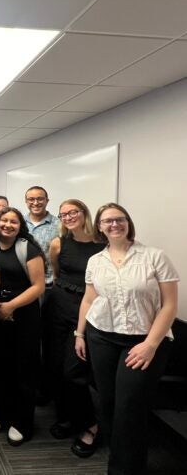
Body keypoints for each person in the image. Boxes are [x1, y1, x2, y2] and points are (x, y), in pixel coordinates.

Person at [75, 203, 179, 475]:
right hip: (102, 336)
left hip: (144, 340)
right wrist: (80, 333)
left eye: (119, 219)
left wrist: (151, 345)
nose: (114, 225)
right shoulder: (95, 261)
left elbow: (169, 305)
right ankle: (121, 454)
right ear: (99, 226)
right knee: (108, 403)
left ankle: (123, 469)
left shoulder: (154, 256)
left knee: (128, 407)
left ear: (128, 223)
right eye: (107, 221)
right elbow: (89, 299)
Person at [46, 199, 104, 457]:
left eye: (73, 212)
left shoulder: (102, 244)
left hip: (86, 311)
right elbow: (56, 273)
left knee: (74, 371)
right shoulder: (59, 243)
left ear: (84, 214)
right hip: (57, 307)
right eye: (63, 214)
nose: (68, 217)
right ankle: (67, 417)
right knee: (55, 367)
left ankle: (90, 425)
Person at [0, 207, 45, 445]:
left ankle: (23, 421)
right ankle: (0, 411)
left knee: (24, 369)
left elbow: (38, 286)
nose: (7, 225)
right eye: (3, 220)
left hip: (24, 317)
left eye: (13, 221)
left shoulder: (27, 249)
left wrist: (10, 306)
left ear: (20, 226)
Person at [24, 185, 60, 403]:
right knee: (28, 337)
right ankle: (29, 380)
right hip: (24, 289)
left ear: (47, 200)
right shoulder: (19, 223)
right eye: (31, 199)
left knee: (46, 339)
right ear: (26, 201)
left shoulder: (58, 225)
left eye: (40, 199)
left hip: (48, 289)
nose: (35, 203)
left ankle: (44, 386)